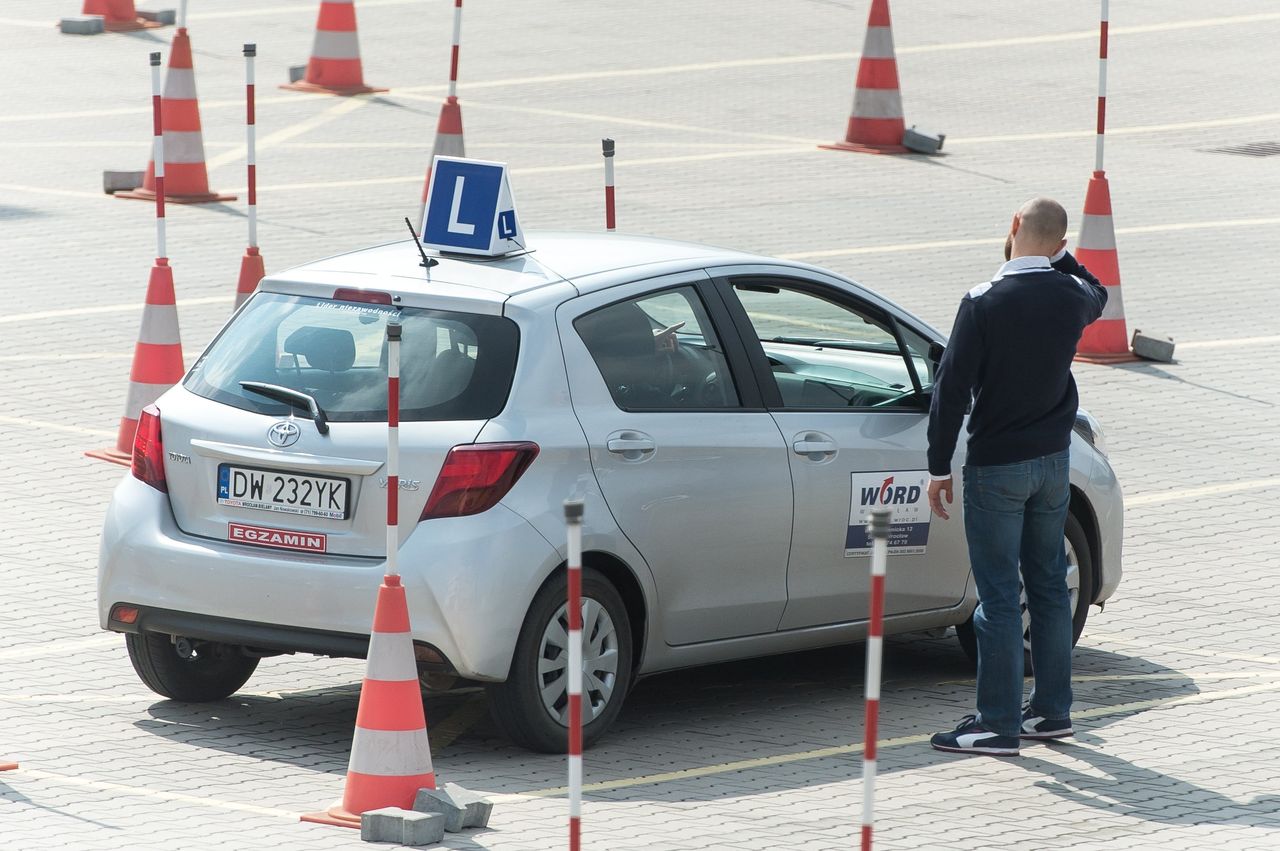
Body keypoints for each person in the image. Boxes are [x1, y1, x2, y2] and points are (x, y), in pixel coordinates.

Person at [925, 197, 1108, 756]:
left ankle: (997, 723)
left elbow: (951, 391)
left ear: (1011, 228)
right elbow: (1098, 290)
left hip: (997, 467)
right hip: (1053, 464)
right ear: (1059, 244)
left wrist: (937, 466)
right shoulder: (1071, 295)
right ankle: (1052, 713)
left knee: (999, 596)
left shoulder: (983, 301)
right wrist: (1064, 257)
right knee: (1049, 586)